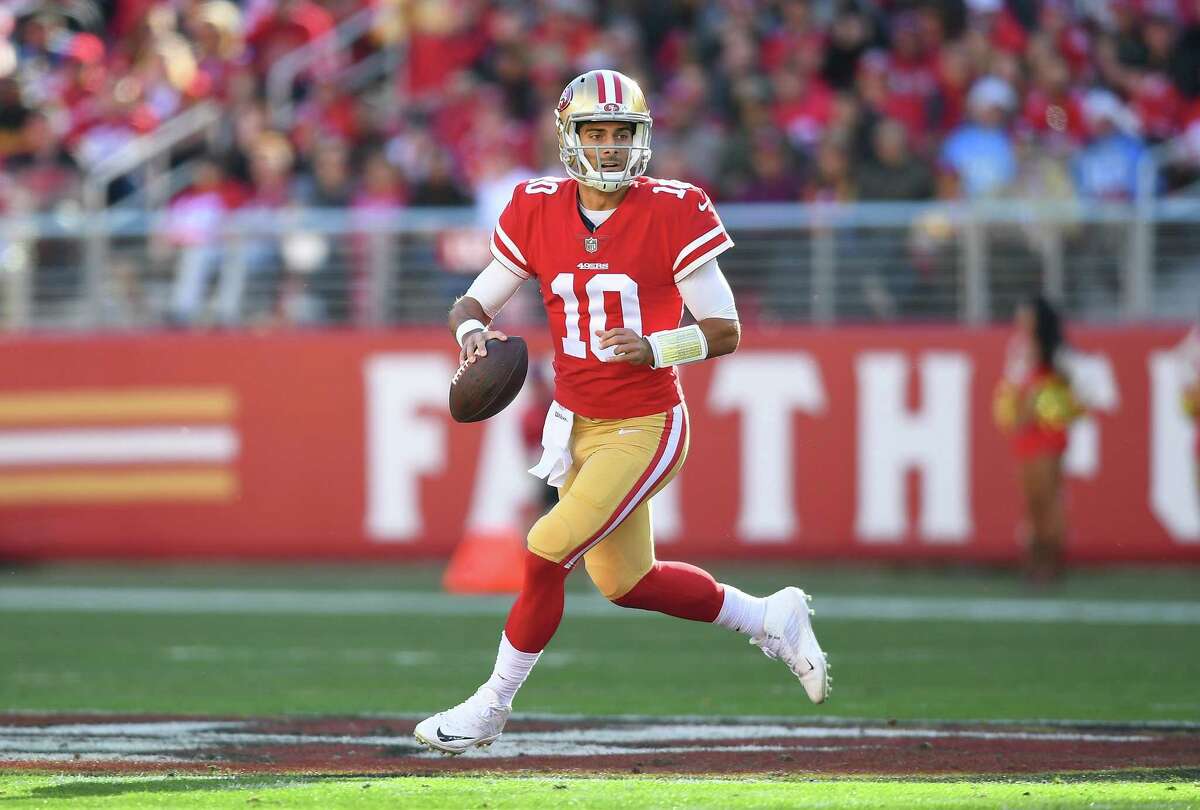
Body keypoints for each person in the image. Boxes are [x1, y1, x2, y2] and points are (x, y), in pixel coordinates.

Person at [415, 70, 830, 755]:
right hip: (577, 424)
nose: (609, 147)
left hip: (647, 422)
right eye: (596, 132)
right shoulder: (535, 205)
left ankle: (491, 706)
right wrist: (470, 335)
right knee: (626, 581)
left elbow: (724, 329)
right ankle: (770, 616)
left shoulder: (675, 209)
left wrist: (653, 347)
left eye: (622, 133)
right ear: (569, 137)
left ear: (642, 138)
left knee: (545, 550)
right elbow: (472, 302)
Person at [993, 296, 1083, 583]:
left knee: (1048, 498)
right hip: (1026, 433)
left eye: (1026, 316)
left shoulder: (1055, 351)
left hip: (1047, 432)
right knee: (1032, 501)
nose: (1020, 320)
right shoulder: (1018, 348)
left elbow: (1069, 389)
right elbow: (1011, 386)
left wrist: (1037, 401)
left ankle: (1052, 562)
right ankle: (1034, 560)